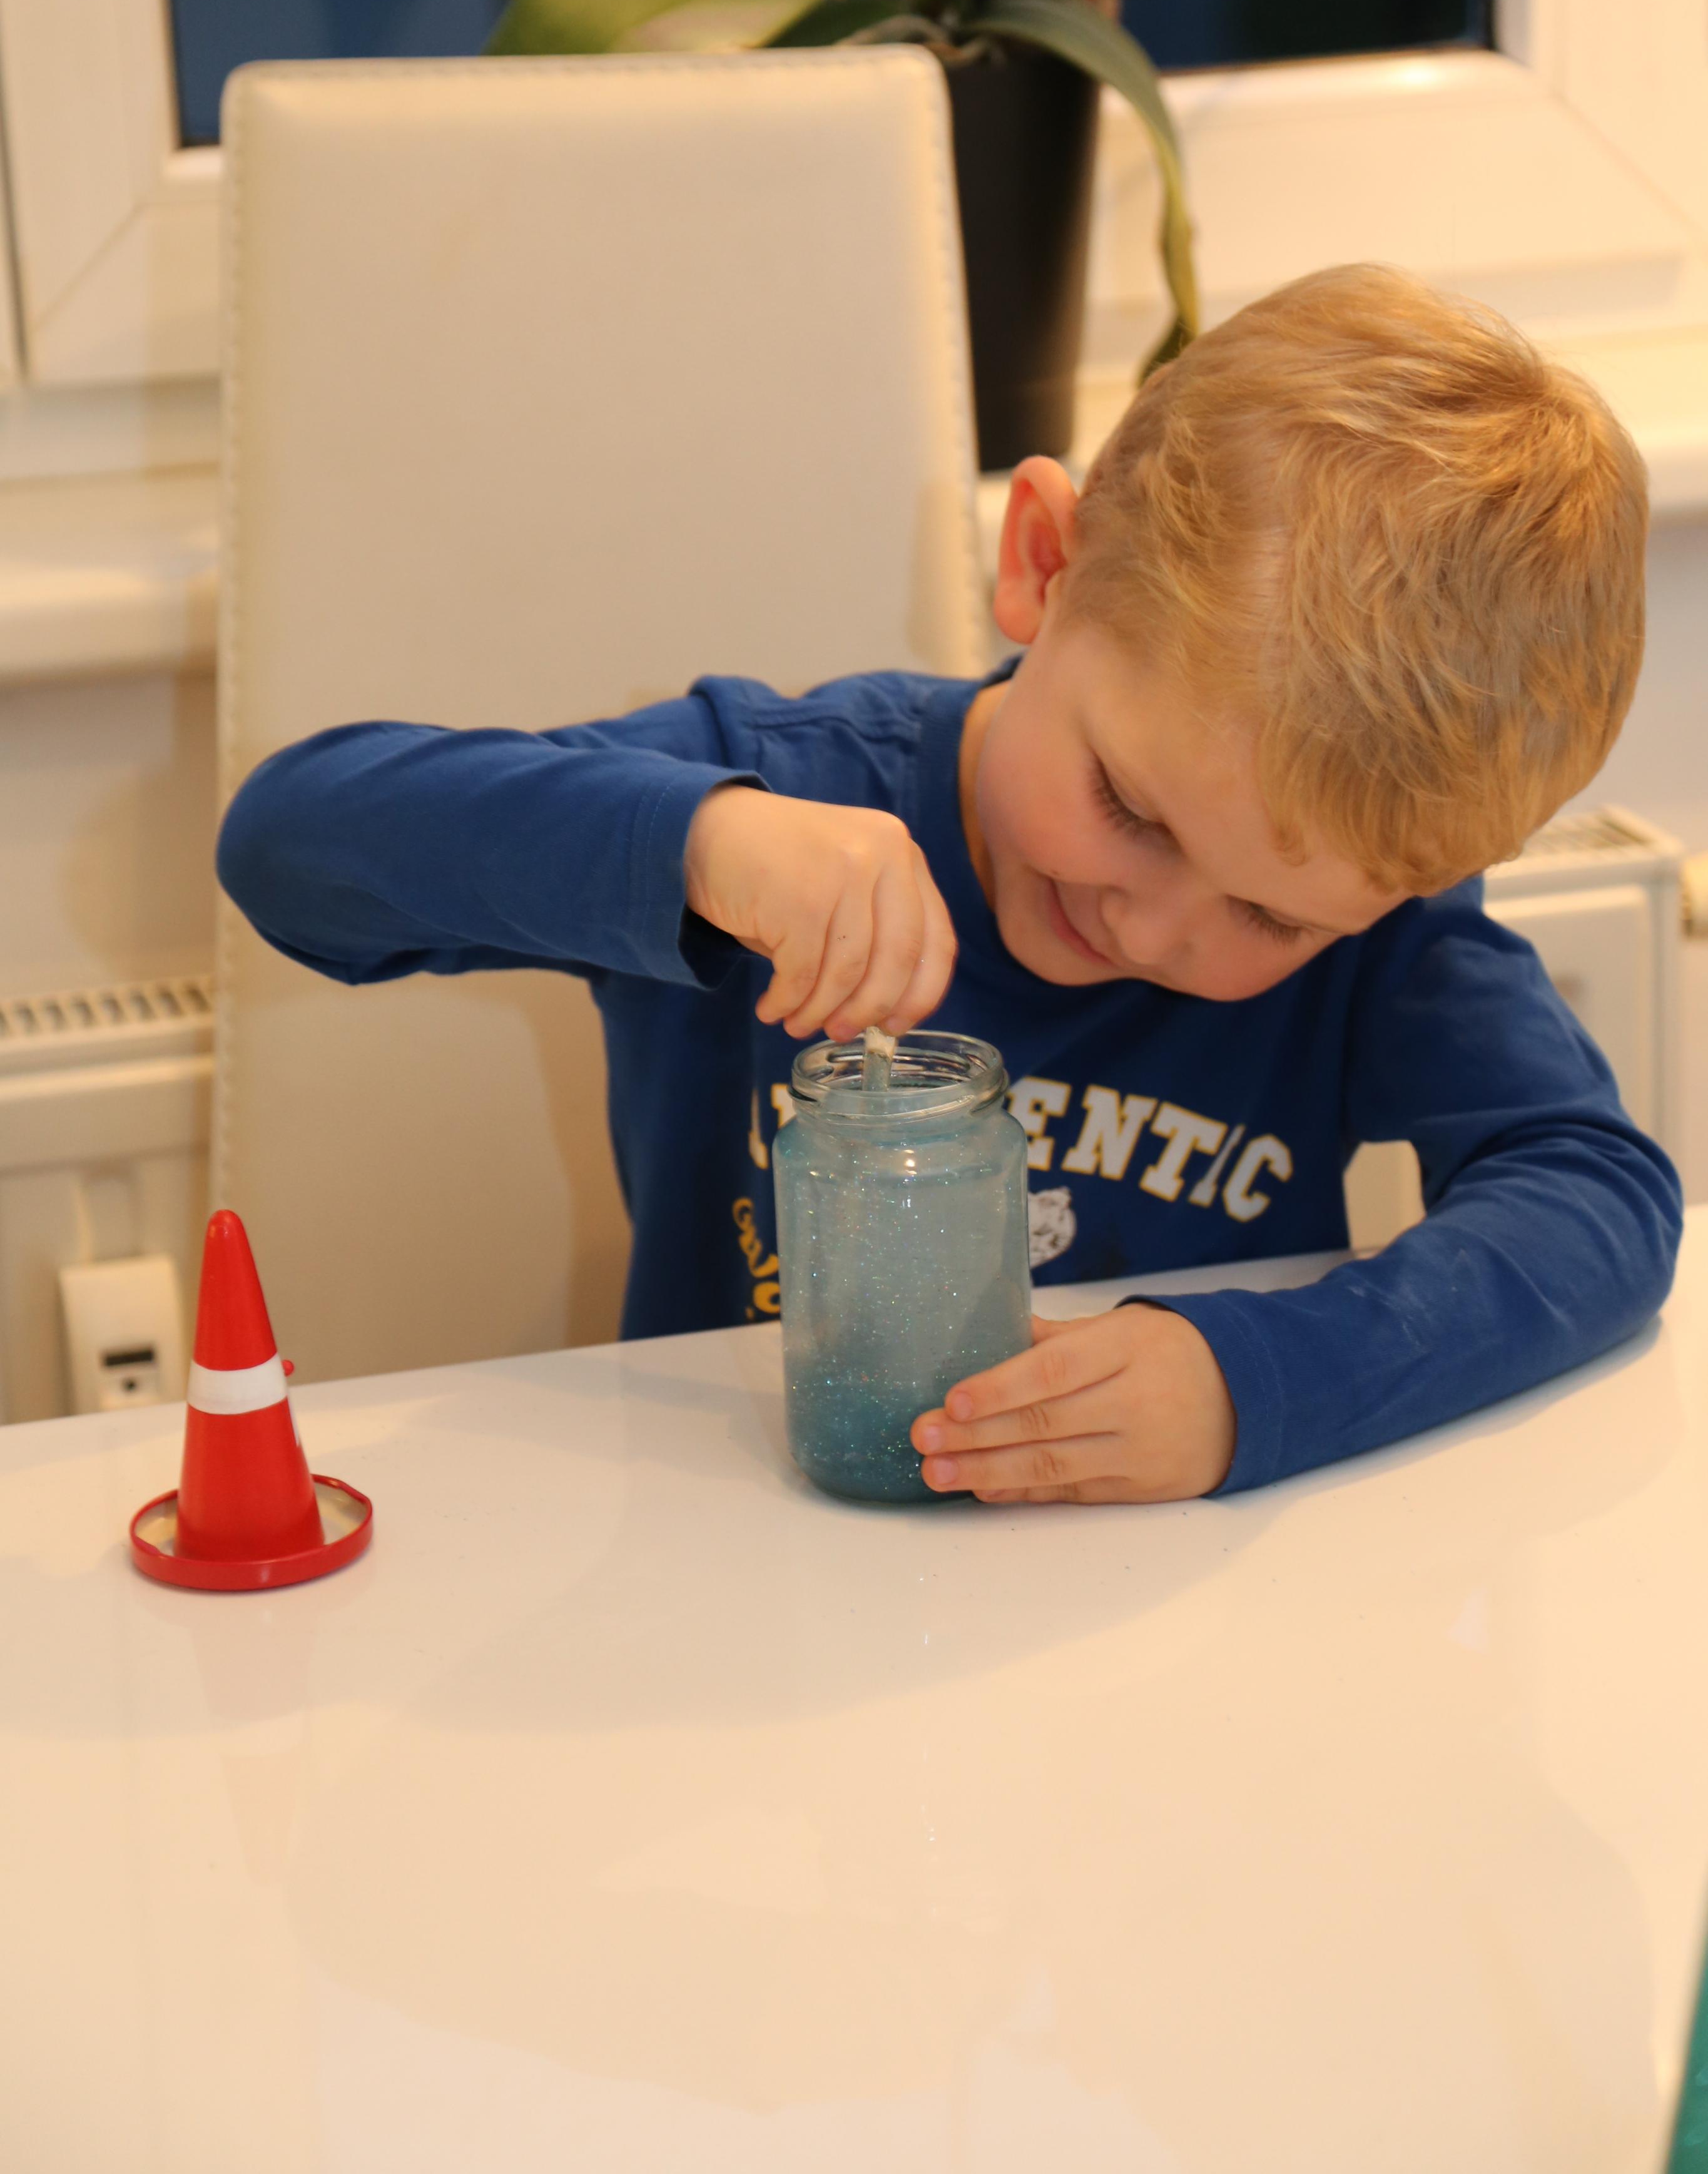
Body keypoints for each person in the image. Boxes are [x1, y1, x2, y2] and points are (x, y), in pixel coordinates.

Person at [215, 265, 1682, 1504]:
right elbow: (289, 847)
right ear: (1043, 562)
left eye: (1271, 918)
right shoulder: (784, 794)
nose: (1150, 924)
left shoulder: (1381, 937)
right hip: (747, 1573)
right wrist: (701, 842)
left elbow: (1598, 1197)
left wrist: (1258, 1382)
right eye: (1128, 807)